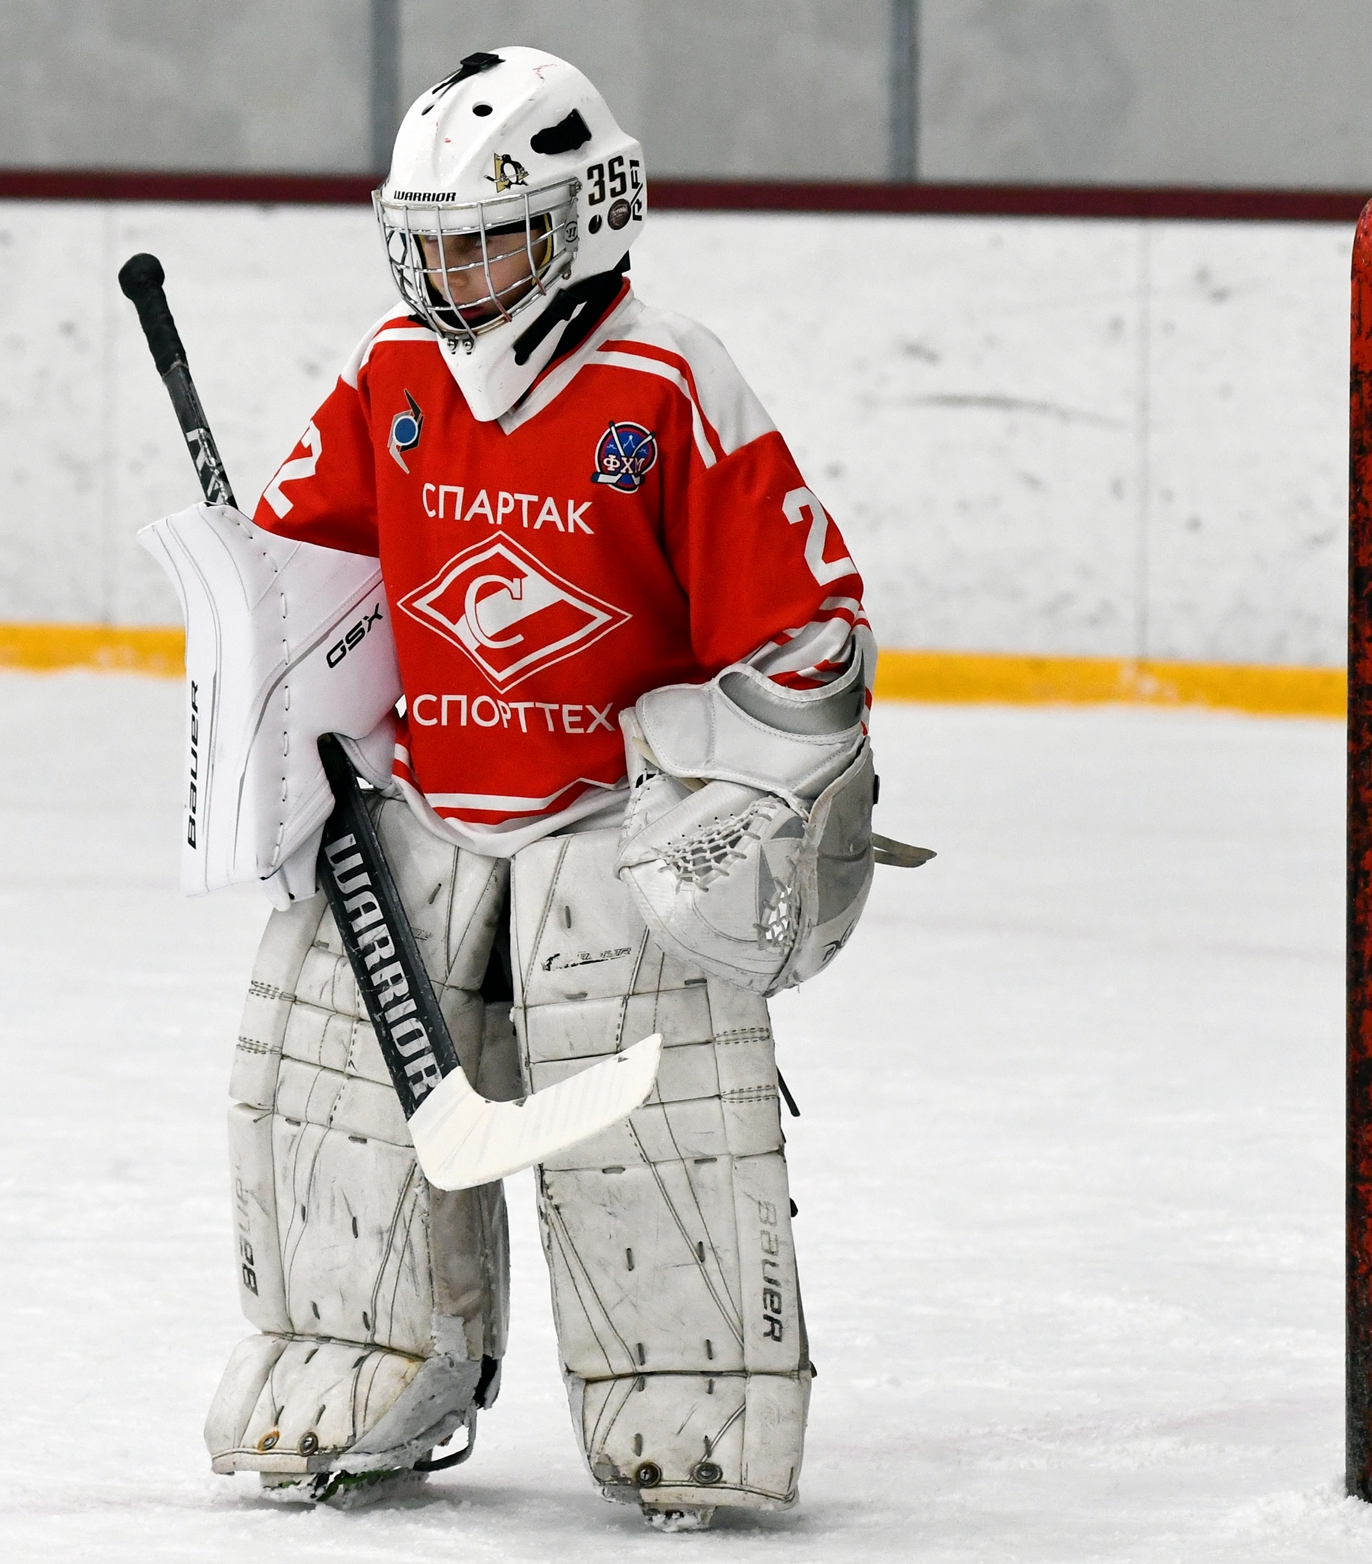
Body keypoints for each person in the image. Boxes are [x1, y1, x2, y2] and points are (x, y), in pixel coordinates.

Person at [199, 46, 878, 1532]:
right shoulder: (391, 369)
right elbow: (305, 573)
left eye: (491, 237)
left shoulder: (666, 376)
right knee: (328, 1093)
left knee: (645, 1114)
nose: (457, 277)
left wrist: (760, 799)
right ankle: (366, 1358)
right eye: (430, 243)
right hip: (423, 815)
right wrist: (262, 711)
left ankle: (691, 1393)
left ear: (593, 212)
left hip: (604, 830)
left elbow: (804, 620)